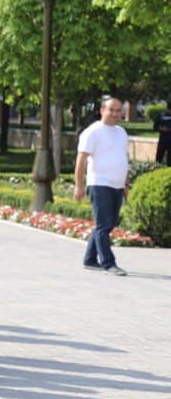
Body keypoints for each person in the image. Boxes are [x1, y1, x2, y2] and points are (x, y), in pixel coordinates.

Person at [74, 96, 130, 276]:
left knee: (107, 224)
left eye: (118, 110)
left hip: (117, 185)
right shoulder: (93, 132)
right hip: (100, 183)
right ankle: (108, 263)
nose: (115, 113)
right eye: (111, 109)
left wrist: (125, 183)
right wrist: (78, 185)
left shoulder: (121, 132)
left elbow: (123, 158)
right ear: (102, 110)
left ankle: (90, 259)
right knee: (104, 225)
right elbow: (81, 160)